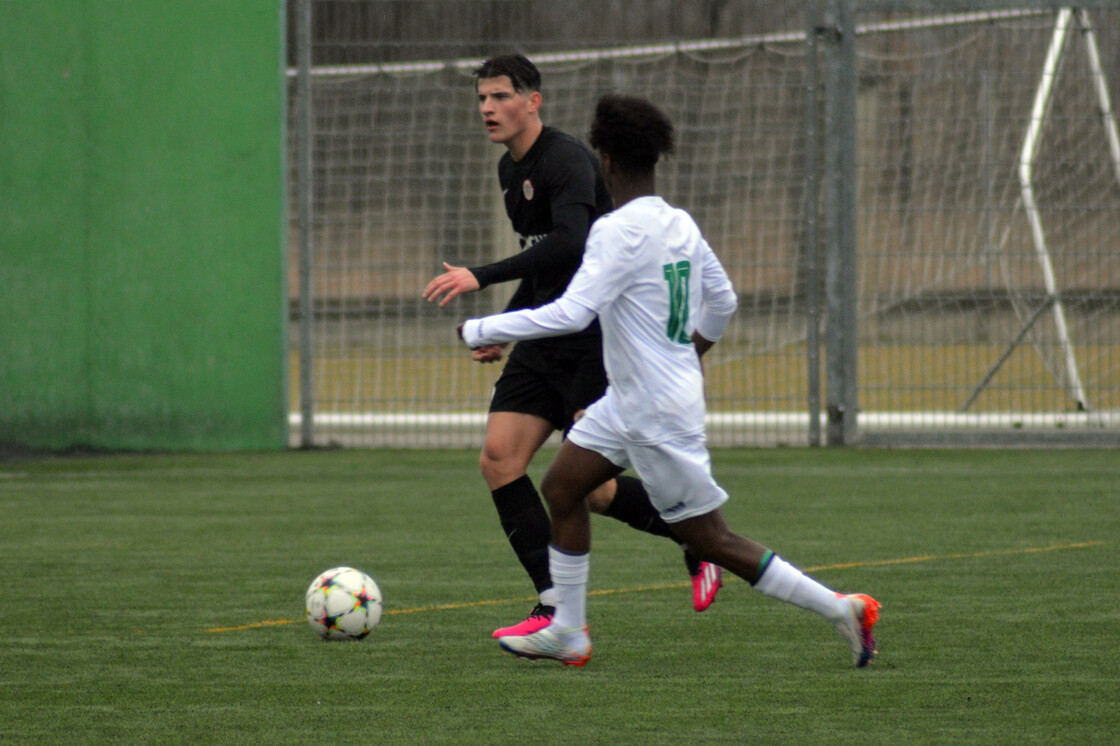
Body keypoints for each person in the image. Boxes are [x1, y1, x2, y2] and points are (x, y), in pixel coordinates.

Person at [458, 94, 881, 668]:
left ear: (605, 161)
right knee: (562, 488)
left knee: (713, 540)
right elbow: (724, 301)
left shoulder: (615, 232)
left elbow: (571, 313)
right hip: (632, 402)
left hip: (653, 414)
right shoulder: (678, 222)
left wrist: (480, 324)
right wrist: (688, 354)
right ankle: (569, 630)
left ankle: (840, 608)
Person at [423, 55, 722, 638]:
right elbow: (543, 274)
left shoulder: (566, 161)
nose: (488, 108)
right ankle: (553, 603)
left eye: (501, 96)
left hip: (589, 339)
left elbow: (570, 246)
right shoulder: (511, 173)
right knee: (499, 459)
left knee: (596, 489)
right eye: (482, 98)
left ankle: (702, 540)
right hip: (544, 341)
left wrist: (480, 277)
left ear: (533, 101)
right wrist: (508, 326)